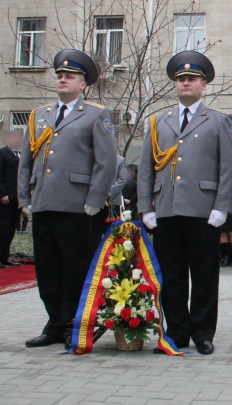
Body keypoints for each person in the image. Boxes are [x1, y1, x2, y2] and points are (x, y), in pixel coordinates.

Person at [137, 50, 232, 355]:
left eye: (192, 79)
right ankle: (177, 331)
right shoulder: (158, 121)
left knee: (205, 275)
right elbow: (146, 168)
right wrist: (146, 207)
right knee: (172, 276)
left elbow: (229, 167)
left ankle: (203, 332)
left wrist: (222, 206)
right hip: (166, 209)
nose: (185, 83)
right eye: (181, 79)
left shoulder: (219, 120)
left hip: (203, 210)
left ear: (203, 84)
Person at [18, 49, 116, 349]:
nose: (62, 80)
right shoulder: (40, 115)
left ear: (82, 84)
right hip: (44, 201)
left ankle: (73, 324)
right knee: (47, 269)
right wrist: (24, 196)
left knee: (75, 267)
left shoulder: (96, 114)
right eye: (59, 76)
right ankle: (54, 322)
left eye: (69, 76)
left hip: (77, 205)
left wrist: (95, 199)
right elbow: (27, 160)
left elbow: (106, 161)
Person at [0, 129, 24, 267]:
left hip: (17, 198)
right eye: (16, 138)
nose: (18, 141)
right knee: (3, 227)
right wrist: (2, 193)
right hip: (6, 198)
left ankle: (5, 256)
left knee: (11, 228)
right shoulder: (2, 153)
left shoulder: (20, 155)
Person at [93, 155, 126, 241]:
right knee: (95, 231)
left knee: (113, 232)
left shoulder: (120, 160)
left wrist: (108, 192)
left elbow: (122, 180)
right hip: (96, 201)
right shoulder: (96, 159)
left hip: (113, 202)